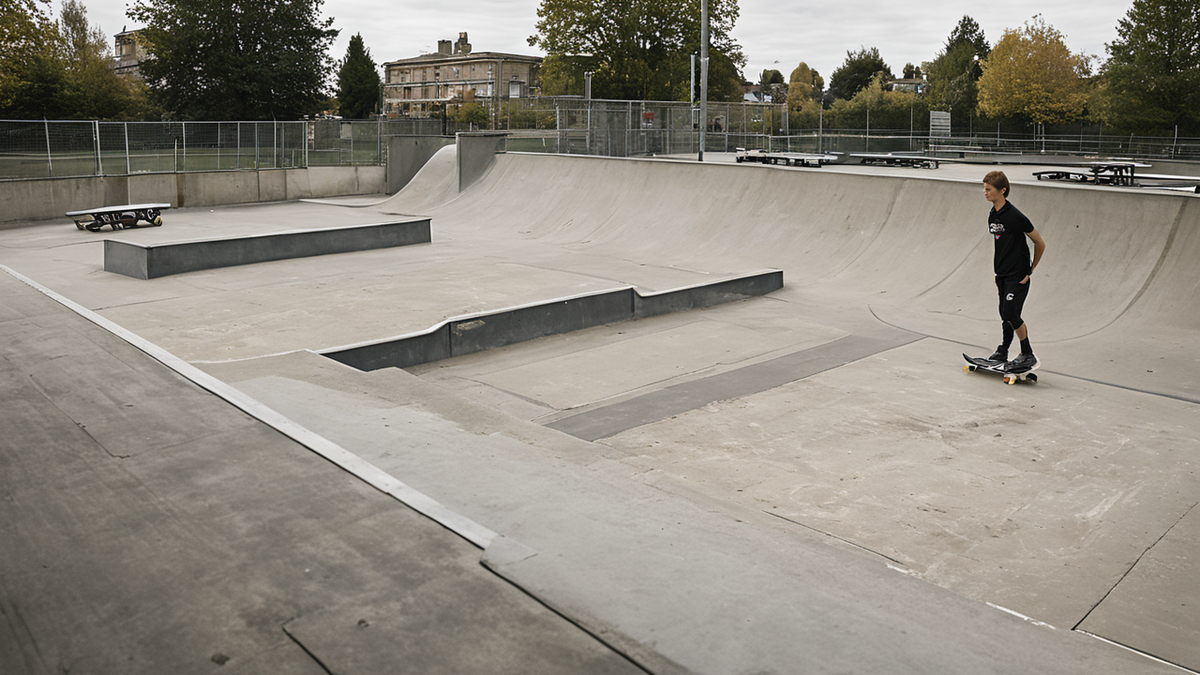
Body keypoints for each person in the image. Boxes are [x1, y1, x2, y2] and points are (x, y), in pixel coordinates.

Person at [982, 171, 1046, 371]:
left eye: (988, 189)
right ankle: (1003, 351)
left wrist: (1031, 269)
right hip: (1002, 273)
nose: (984, 192)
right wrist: (998, 273)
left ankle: (1027, 353)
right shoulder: (993, 214)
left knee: (1011, 312)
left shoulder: (1016, 216)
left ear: (1002, 190)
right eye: (984, 189)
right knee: (1004, 313)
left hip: (1018, 274)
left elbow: (1039, 242)